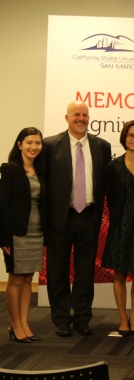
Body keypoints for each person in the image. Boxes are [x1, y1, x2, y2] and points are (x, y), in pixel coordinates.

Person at [44, 100, 112, 337]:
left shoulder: (102, 146)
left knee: (85, 271)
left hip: (89, 217)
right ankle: (61, 318)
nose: (81, 118)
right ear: (67, 118)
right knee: (57, 270)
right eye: (76, 115)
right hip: (60, 218)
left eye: (84, 115)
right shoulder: (50, 145)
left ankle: (83, 318)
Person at [102, 120, 134, 337]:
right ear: (124, 137)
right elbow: (109, 197)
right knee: (120, 273)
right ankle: (123, 318)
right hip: (120, 225)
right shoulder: (113, 166)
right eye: (131, 135)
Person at [1, 127, 46, 343]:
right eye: (29, 142)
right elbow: (3, 206)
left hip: (37, 231)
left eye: (37, 143)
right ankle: (15, 324)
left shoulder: (41, 170)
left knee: (28, 278)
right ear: (19, 144)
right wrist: (3, 238)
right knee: (16, 279)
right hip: (17, 232)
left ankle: (25, 322)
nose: (33, 147)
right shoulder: (9, 170)